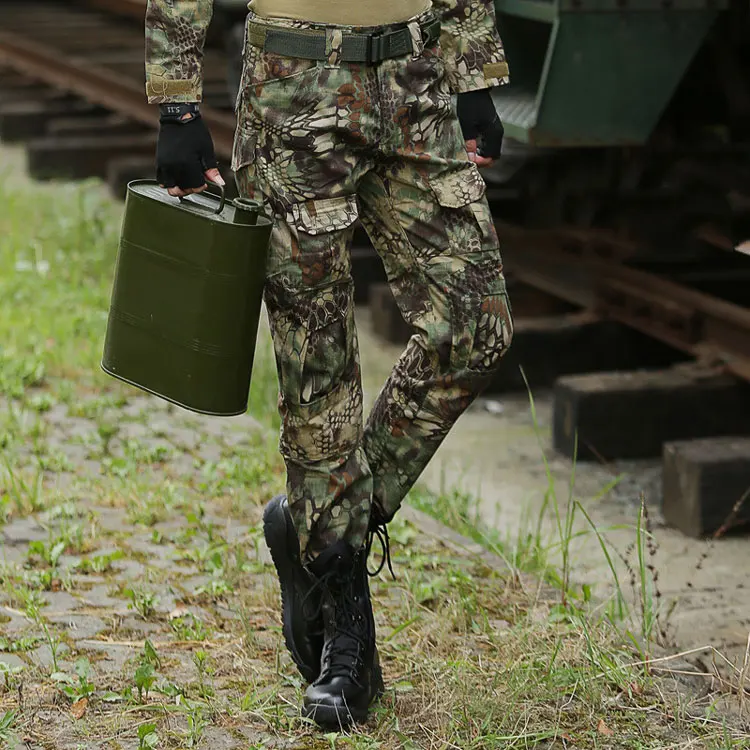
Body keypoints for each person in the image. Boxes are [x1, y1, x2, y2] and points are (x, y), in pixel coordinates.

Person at [146, 0, 513, 729]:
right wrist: (178, 102)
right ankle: (346, 634)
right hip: (292, 87)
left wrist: (473, 72)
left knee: (477, 328)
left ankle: (317, 523)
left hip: (414, 82)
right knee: (319, 375)